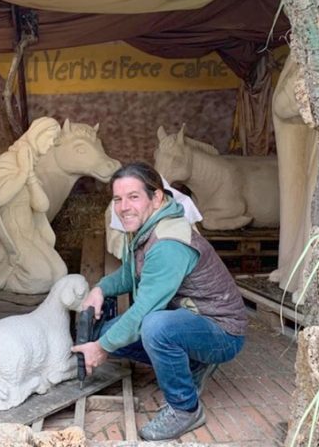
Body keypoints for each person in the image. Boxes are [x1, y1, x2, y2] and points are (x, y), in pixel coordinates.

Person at [72, 161, 247, 441]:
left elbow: (143, 311)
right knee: (107, 331)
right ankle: (192, 364)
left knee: (154, 326)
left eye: (133, 197)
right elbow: (131, 276)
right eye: (118, 199)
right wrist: (100, 289)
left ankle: (185, 408)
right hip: (190, 321)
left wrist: (101, 349)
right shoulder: (148, 229)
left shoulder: (168, 242)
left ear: (156, 198)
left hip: (222, 331)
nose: (123, 207)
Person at [0, 117, 67, 294]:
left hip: (31, 234)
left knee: (60, 274)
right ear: (37, 135)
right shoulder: (7, 161)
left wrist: (30, 175)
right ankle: (1, 276)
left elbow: (41, 206)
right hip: (14, 238)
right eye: (50, 138)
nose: (51, 145)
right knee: (40, 279)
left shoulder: (30, 166)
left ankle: (24, 270)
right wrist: (23, 172)